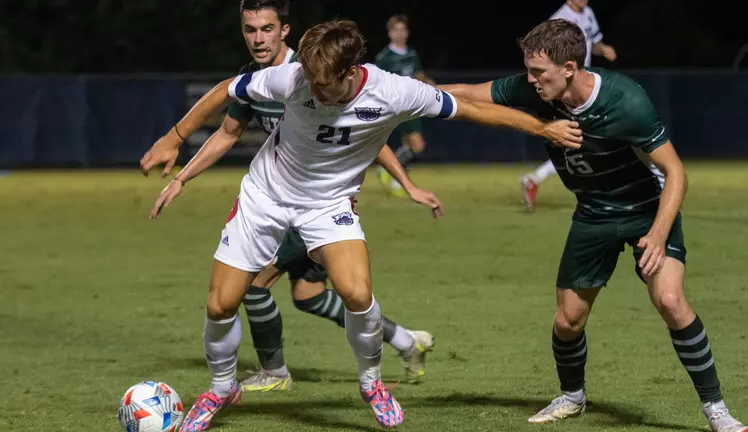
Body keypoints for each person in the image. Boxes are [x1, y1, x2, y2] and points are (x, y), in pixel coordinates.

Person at [144, 19, 580, 430]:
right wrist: (174, 138)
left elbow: (470, 110)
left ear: (351, 70)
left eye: (325, 84)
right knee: (221, 304)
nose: (314, 90)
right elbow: (226, 90)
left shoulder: (394, 92)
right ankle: (222, 389)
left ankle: (371, 382)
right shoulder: (292, 77)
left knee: (357, 293)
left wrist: (545, 130)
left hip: (329, 204)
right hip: (265, 197)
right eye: (309, 81)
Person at [440, 19, 747, 431]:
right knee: (567, 321)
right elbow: (465, 95)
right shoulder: (534, 88)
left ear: (569, 68)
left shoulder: (626, 101)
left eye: (538, 73)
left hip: (645, 211)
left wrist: (657, 234)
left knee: (671, 302)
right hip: (593, 213)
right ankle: (572, 396)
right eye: (528, 71)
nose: (529, 81)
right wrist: (405, 92)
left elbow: (676, 172)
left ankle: (717, 411)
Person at [141, 0, 435, 394]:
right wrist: (182, 178)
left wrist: (407, 182)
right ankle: (405, 340)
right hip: (282, 196)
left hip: (319, 204)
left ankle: (275, 372)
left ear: (284, 31)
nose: (258, 39)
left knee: (255, 284)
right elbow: (227, 134)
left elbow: (367, 132)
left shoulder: (313, 71)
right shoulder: (252, 78)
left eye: (266, 29)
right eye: (250, 30)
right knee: (308, 295)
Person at [520, 0, 618, 211]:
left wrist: (604, 49)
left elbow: (593, 44)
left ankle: (535, 179)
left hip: (584, 86)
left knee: (580, 140)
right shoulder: (559, 19)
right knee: (585, 138)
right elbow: (542, 53)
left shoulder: (589, 14)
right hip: (565, 88)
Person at [374, 14, 437, 197]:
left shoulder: (411, 53)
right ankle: (389, 170)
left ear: (407, 32)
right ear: (389, 33)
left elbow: (418, 74)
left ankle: (396, 175)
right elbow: (378, 82)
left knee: (409, 145)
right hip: (397, 106)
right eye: (396, 30)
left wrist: (429, 83)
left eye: (403, 30)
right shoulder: (384, 57)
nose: (400, 34)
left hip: (414, 104)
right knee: (417, 145)